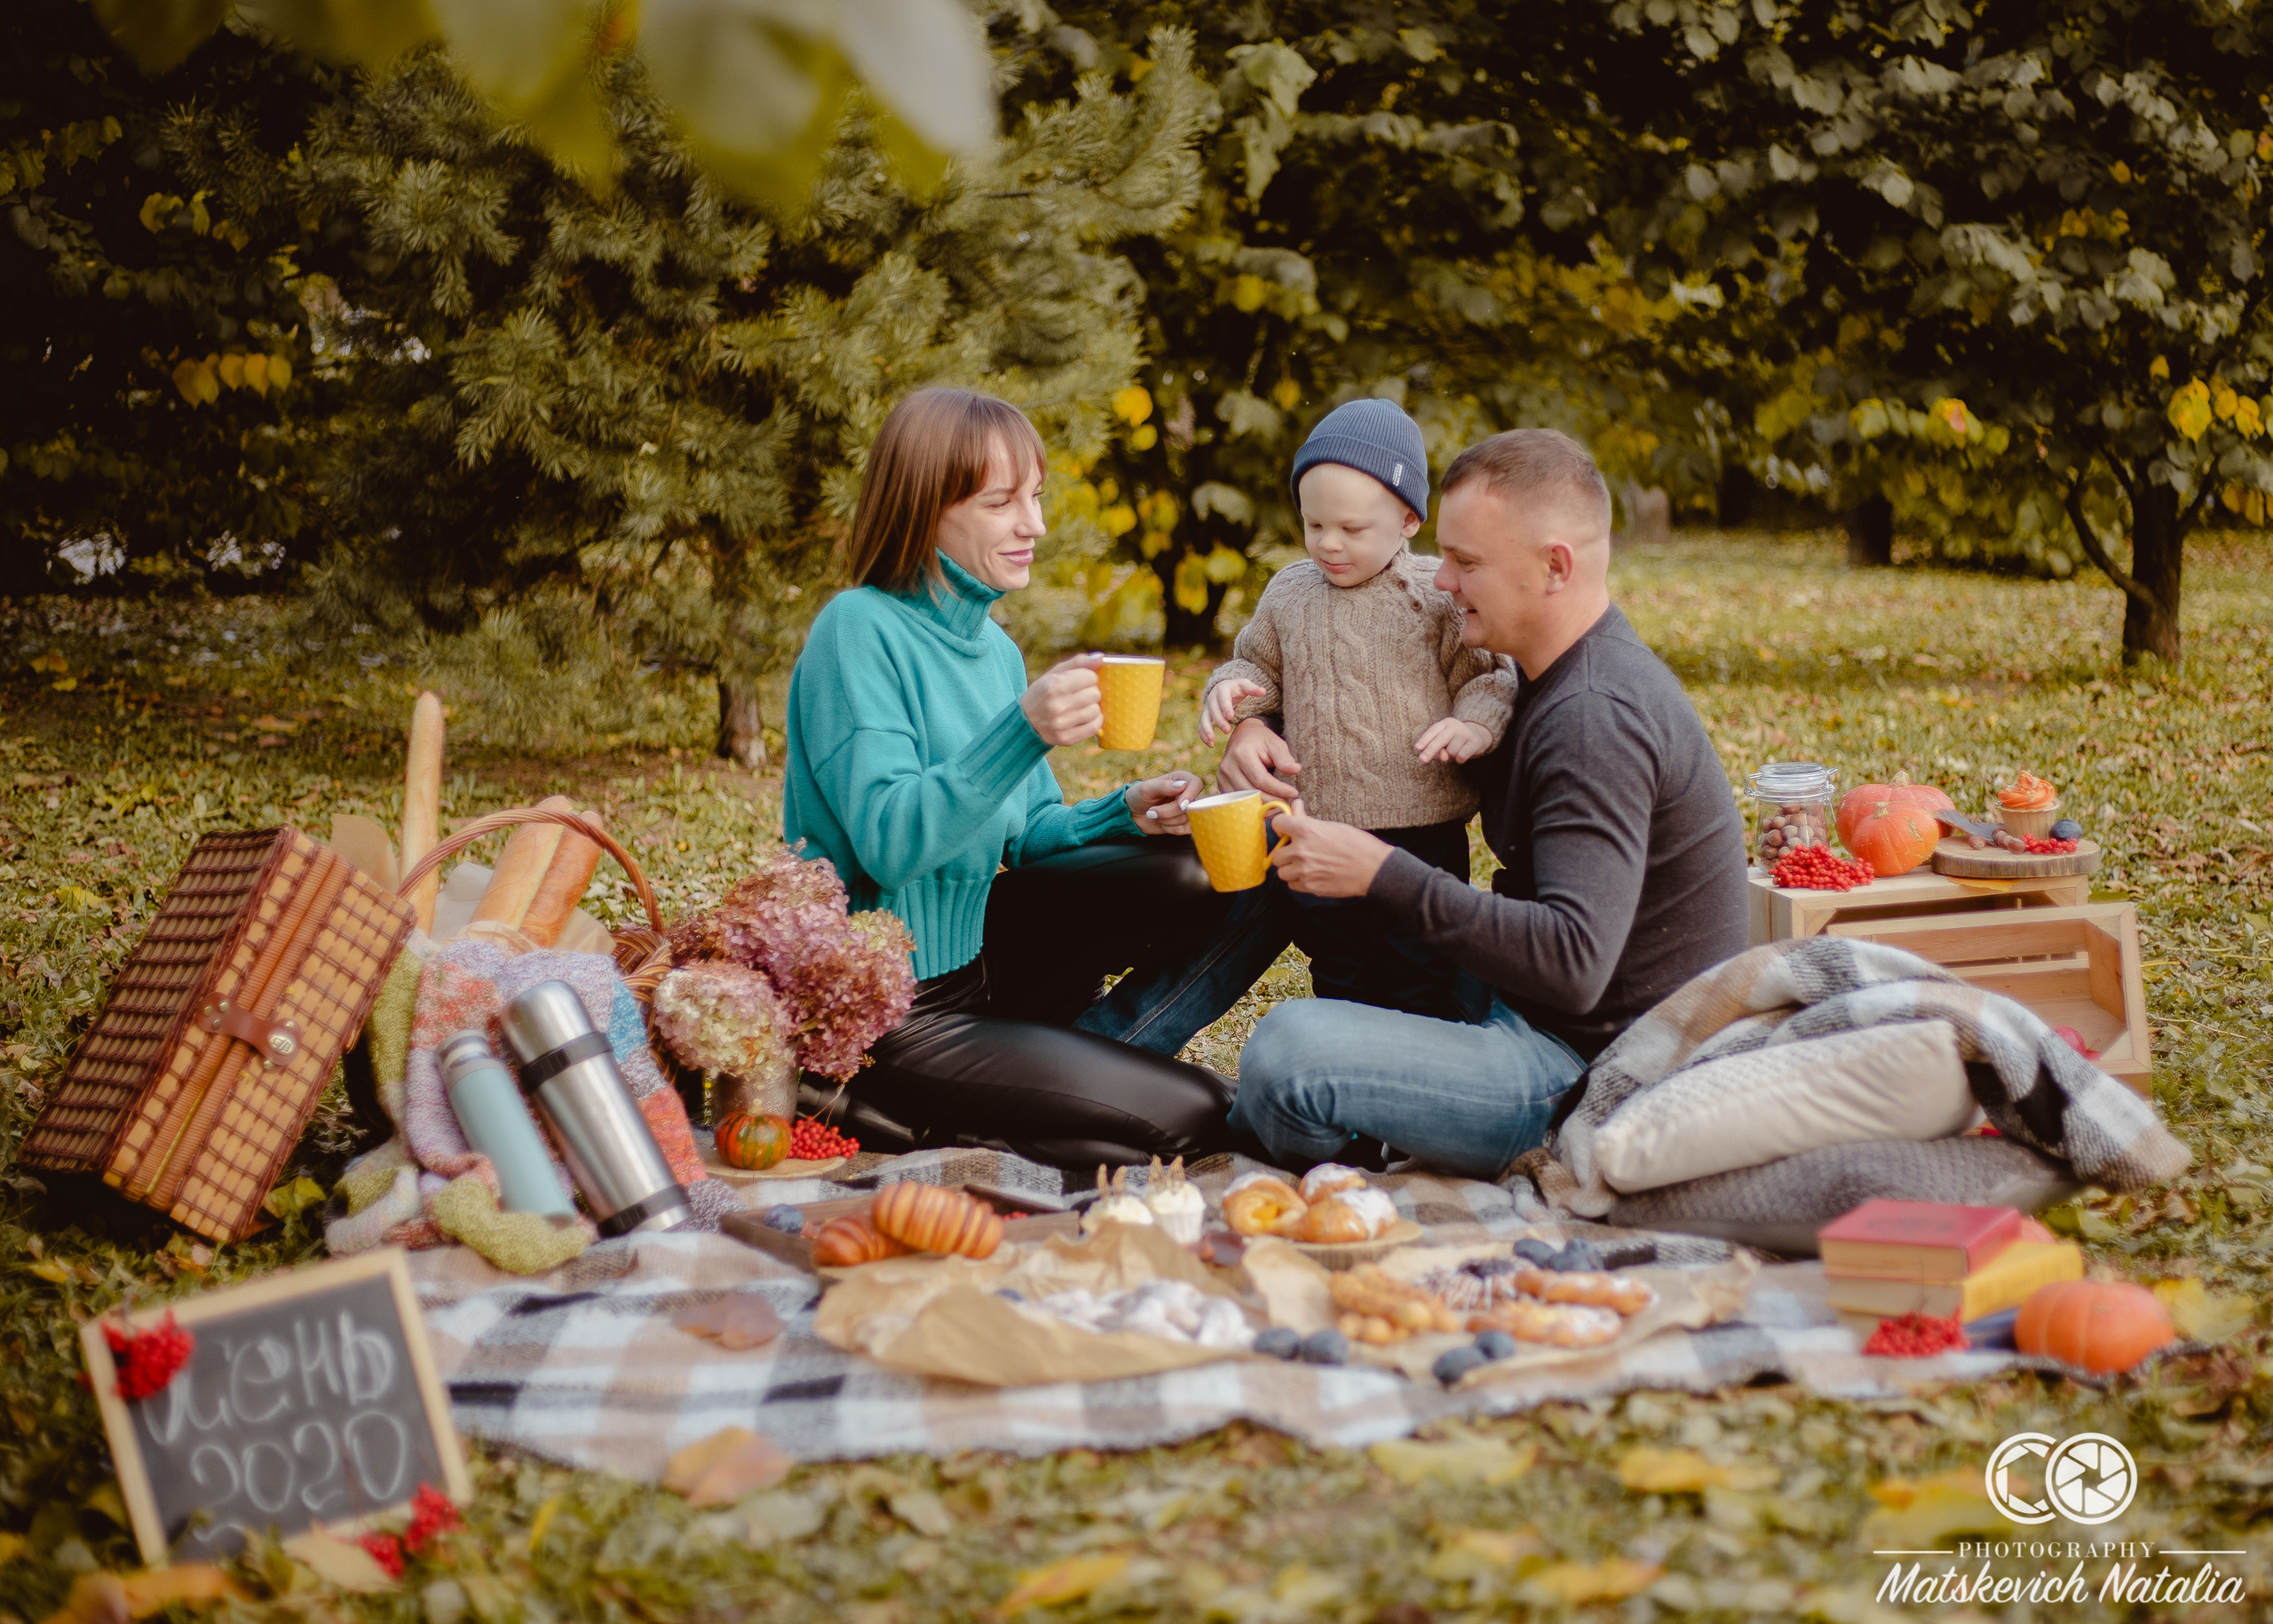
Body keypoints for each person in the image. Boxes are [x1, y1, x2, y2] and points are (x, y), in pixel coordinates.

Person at [1224, 428, 1750, 1178]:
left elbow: (1573, 962)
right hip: (1528, 1007)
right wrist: (1254, 726)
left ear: (1555, 566)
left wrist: (1381, 871)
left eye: (1467, 563)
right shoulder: (1544, 674)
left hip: (1589, 1075)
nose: (1441, 581)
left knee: (1288, 1050)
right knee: (1309, 929)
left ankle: (1296, 1142)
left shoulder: (1593, 716)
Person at [781, 386, 1256, 1168]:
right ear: (924, 508)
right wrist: (1022, 730)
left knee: (1190, 867)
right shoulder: (857, 630)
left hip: (981, 967)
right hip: (888, 1012)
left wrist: (1126, 811)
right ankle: (898, 1112)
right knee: (1198, 1114)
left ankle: (1036, 1071)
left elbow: (1030, 835)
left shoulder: (995, 650)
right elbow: (891, 845)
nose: (1033, 525)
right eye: (1002, 503)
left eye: (1034, 497)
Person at [1200, 399, 1515, 1023]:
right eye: (1313, 523)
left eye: (1351, 528)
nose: (1328, 543)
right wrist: (1233, 692)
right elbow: (1258, 667)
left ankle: (1414, 1066)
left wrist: (1475, 723)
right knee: (1339, 966)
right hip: (1320, 825)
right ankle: (1346, 1067)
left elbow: (1488, 674)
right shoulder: (1290, 592)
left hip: (1421, 836)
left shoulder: (1434, 595)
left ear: (1407, 519)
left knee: (1419, 971)